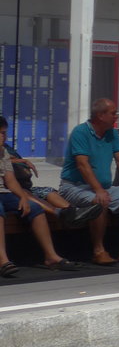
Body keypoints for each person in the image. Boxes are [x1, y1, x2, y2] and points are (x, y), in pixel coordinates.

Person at [57, 98, 119, 265]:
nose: (116, 117)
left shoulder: (111, 133)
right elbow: (82, 164)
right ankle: (98, 251)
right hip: (75, 186)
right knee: (100, 202)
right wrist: (98, 190)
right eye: (113, 113)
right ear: (100, 115)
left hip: (104, 187)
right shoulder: (81, 132)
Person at [0, 116, 84, 274]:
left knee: (35, 209)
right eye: (1, 133)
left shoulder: (3, 152)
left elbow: (10, 181)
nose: (4, 137)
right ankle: (3, 260)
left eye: (4, 133)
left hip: (5, 192)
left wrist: (23, 198)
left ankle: (51, 256)